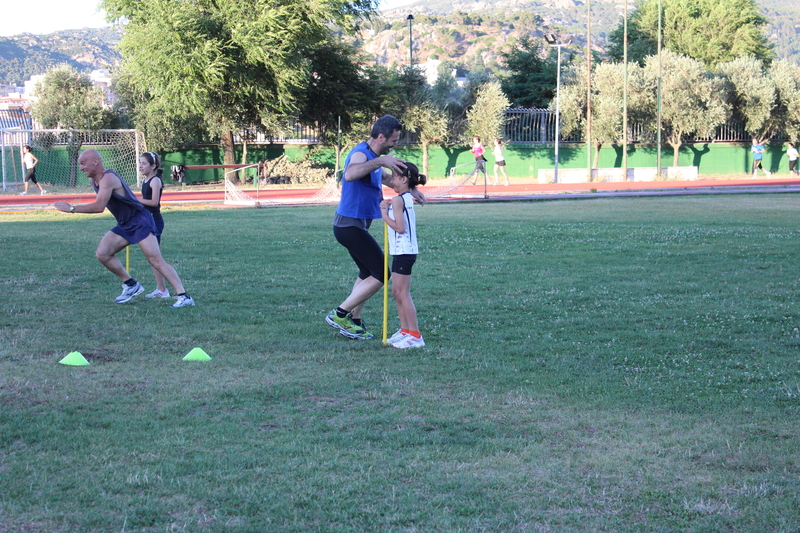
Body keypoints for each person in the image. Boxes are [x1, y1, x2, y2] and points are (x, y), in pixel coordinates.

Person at [53, 149, 195, 308]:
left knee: (156, 260)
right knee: (103, 254)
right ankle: (131, 285)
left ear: (95, 162)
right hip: (125, 223)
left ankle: (184, 296)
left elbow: (99, 207)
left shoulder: (108, 178)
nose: (81, 168)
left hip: (140, 221)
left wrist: (71, 208)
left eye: (83, 163)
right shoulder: (95, 180)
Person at [326, 115, 425, 340]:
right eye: (393, 140)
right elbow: (350, 174)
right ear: (381, 136)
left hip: (356, 225)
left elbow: (391, 180)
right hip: (348, 225)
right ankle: (340, 314)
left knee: (366, 272)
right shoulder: (362, 154)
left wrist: (412, 189)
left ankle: (355, 320)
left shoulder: (374, 158)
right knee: (381, 273)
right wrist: (381, 161)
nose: (395, 145)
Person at [380, 162, 426, 349]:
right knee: (396, 292)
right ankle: (405, 330)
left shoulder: (399, 200)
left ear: (404, 179)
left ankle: (415, 335)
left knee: (402, 293)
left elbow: (400, 227)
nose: (391, 179)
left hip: (405, 251)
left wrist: (384, 214)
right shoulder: (404, 198)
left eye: (394, 176)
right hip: (401, 251)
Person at [138, 151, 170, 299]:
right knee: (152, 257)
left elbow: (153, 202)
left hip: (155, 221)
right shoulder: (145, 181)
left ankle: (163, 290)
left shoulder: (155, 181)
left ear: (153, 166)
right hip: (147, 220)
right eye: (140, 163)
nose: (141, 166)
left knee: (155, 257)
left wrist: (134, 199)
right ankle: (161, 289)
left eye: (144, 163)